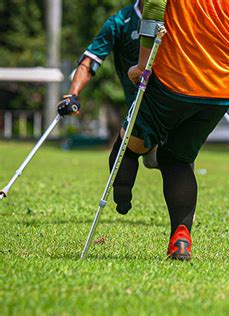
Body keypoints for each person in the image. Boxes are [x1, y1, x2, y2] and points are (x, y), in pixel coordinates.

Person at [124, 0, 229, 260]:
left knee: (132, 143)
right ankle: (181, 237)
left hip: (171, 83)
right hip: (219, 93)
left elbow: (153, 9)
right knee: (178, 158)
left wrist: (142, 66)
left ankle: (122, 194)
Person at [56, 0, 162, 216]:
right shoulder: (119, 22)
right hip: (140, 107)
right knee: (123, 155)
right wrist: (72, 94)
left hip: (172, 101)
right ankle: (124, 198)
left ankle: (182, 222)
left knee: (175, 160)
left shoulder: (177, 15)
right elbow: (90, 60)